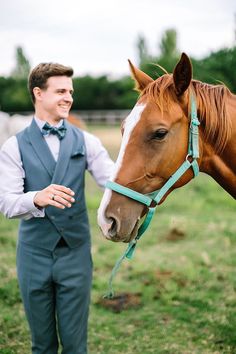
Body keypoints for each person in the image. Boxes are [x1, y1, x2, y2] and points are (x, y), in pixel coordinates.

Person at [0, 63, 114, 353]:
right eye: (60, 91)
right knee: (42, 345)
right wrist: (37, 197)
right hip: (33, 256)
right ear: (38, 93)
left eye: (71, 92)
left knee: (76, 345)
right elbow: (7, 203)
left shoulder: (87, 141)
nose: (68, 98)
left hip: (75, 254)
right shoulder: (13, 146)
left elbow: (112, 182)